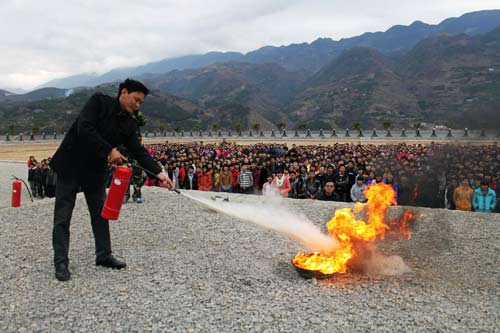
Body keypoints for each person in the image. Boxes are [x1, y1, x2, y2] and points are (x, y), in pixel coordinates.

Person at [49, 79, 173, 282]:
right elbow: (84, 128)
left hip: (95, 170)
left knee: (101, 214)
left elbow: (139, 151)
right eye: (136, 100)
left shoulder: (130, 123)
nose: (137, 105)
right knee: (63, 215)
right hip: (70, 164)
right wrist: (109, 149)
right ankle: (60, 261)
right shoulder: (98, 102)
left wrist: (159, 174)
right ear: (123, 92)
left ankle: (103, 255)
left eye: (141, 103)